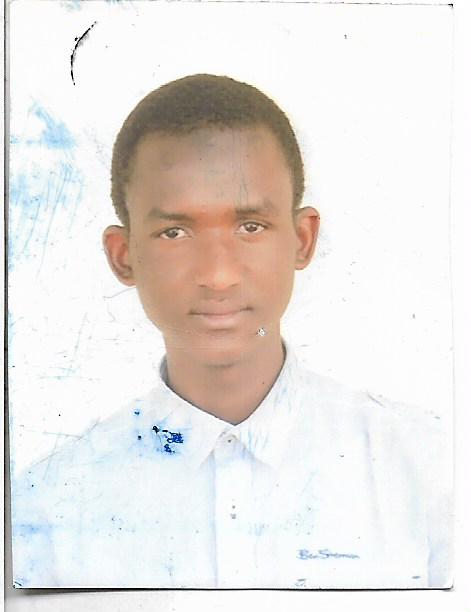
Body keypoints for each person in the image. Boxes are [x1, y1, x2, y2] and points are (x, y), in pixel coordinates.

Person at [11, 74, 451, 589]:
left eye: (250, 227)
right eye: (174, 232)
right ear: (123, 255)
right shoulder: (46, 512)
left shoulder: (430, 472)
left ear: (303, 240)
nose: (218, 275)